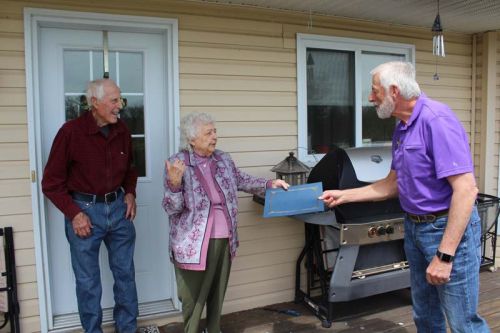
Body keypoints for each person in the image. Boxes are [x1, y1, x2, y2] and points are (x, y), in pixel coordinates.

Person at [320, 61, 489, 333]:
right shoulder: (402, 127)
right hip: (414, 228)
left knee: (462, 323)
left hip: (446, 230)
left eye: (375, 91)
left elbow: (466, 190)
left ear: (394, 91)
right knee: (425, 315)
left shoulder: (437, 121)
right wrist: (344, 195)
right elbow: (391, 185)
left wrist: (445, 257)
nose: (370, 97)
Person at [162, 112, 289, 333]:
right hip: (192, 242)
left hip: (224, 235)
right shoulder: (177, 163)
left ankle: (214, 329)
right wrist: (174, 185)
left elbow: (241, 180)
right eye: (209, 132)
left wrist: (270, 183)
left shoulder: (223, 159)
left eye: (215, 131)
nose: (215, 136)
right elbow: (171, 208)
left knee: (217, 290)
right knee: (191, 295)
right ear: (192, 139)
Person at [42, 79, 139, 333]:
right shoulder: (70, 132)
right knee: (88, 282)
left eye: (121, 100)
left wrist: (129, 193)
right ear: (94, 103)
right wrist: (74, 214)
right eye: (114, 100)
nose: (120, 106)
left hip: (118, 209)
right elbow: (51, 183)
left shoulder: (123, 131)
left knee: (125, 275)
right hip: (84, 212)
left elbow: (130, 168)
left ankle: (127, 328)